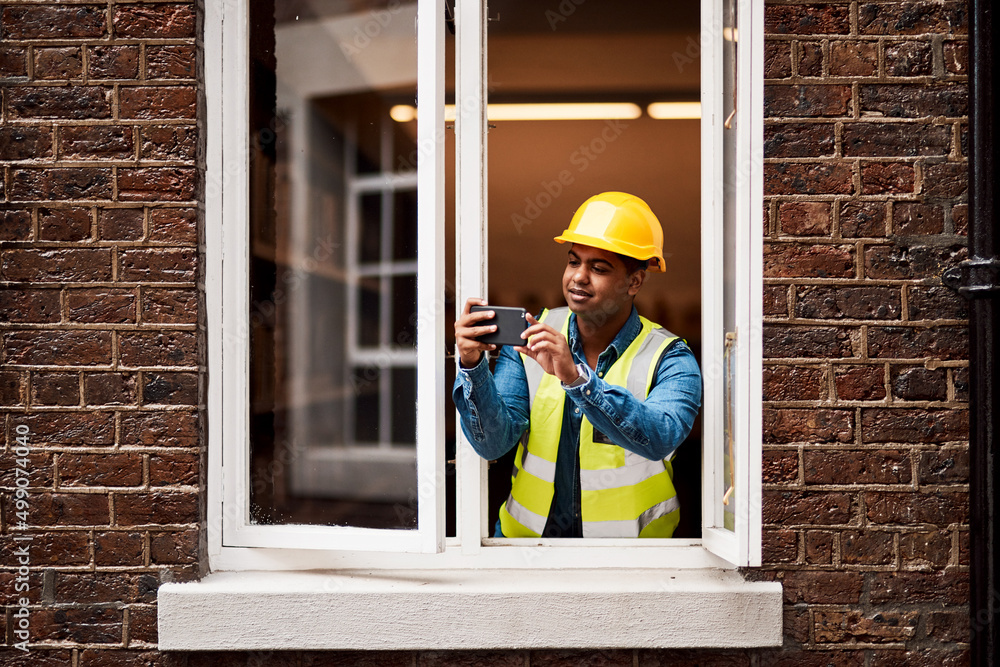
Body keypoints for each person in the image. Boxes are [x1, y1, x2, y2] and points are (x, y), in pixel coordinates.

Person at [452, 191, 702, 538]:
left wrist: (577, 379)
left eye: (598, 268)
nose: (578, 277)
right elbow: (493, 444)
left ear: (634, 281)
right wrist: (471, 364)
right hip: (526, 549)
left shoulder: (670, 357)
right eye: (573, 261)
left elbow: (660, 437)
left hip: (632, 562)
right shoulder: (532, 337)